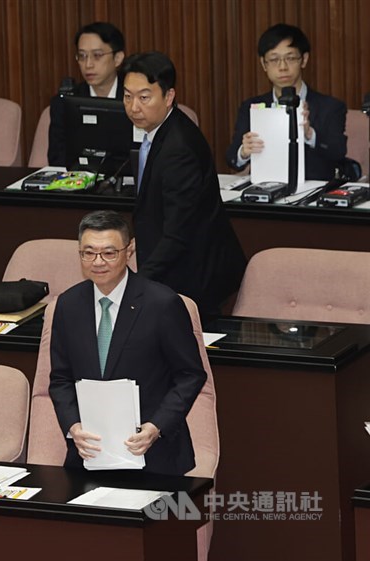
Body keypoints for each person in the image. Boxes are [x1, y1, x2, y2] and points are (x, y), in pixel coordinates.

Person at [49, 211, 206, 476]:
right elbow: (60, 378)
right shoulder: (68, 304)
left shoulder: (162, 304)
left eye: (109, 253)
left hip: (153, 455)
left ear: (129, 250)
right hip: (89, 456)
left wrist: (156, 427)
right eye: (88, 253)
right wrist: (73, 427)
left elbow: (190, 374)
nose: (98, 262)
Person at [121, 51, 246, 318]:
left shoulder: (179, 149)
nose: (133, 107)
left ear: (168, 96)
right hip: (179, 266)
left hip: (195, 277)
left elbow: (178, 233)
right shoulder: (160, 131)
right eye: (127, 96)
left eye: (144, 97)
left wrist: (137, 284)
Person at [226, 24, 347, 180]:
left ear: (304, 59)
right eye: (274, 59)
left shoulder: (331, 107)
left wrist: (310, 135)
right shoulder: (251, 107)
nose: (282, 67)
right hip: (266, 193)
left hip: (314, 196)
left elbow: (338, 152)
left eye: (290, 58)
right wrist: (244, 151)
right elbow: (232, 160)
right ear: (264, 64)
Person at [48, 22, 126, 166]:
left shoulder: (136, 98)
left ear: (117, 58)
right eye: (82, 56)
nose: (88, 64)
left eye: (97, 55)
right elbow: (57, 158)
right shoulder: (65, 103)